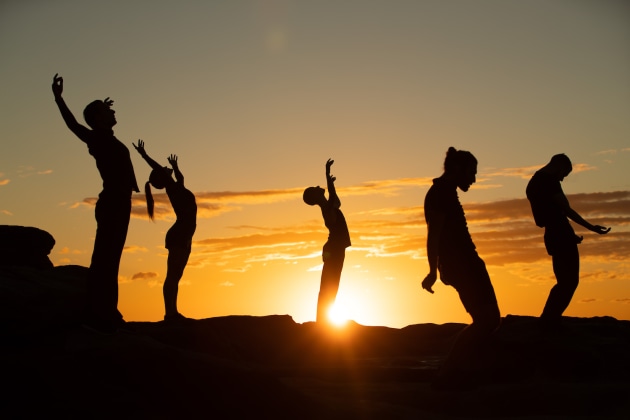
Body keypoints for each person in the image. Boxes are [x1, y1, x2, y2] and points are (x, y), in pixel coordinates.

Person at [52, 74, 139, 333]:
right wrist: (58, 98)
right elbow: (73, 124)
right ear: (98, 118)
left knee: (110, 258)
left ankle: (104, 312)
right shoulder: (97, 138)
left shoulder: (106, 136)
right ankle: (100, 314)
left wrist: (103, 105)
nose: (113, 113)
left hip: (120, 202)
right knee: (106, 259)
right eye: (106, 111)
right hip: (112, 202)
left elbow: (95, 118)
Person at [422, 147, 501, 389]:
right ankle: (448, 373)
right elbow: (433, 235)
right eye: (472, 173)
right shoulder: (440, 194)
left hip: (466, 261)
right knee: (487, 320)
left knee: (488, 319)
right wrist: (433, 271)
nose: (474, 179)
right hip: (461, 264)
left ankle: (459, 369)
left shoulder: (446, 191)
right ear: (457, 169)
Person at [526, 153, 610, 330]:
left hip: (555, 233)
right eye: (564, 174)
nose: (563, 179)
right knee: (568, 282)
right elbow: (566, 210)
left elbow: (551, 214)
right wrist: (591, 227)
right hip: (559, 233)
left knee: (565, 281)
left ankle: (550, 318)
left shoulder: (533, 182)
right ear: (559, 166)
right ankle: (549, 320)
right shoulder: (549, 181)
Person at [133, 140, 197, 323]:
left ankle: (172, 312)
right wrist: (144, 155)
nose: (165, 168)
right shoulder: (171, 187)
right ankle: (170, 313)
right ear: (161, 178)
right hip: (180, 235)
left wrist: (176, 166)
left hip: (184, 235)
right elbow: (158, 169)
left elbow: (181, 178)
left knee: (176, 276)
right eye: (163, 170)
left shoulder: (178, 187)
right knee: (172, 276)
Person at [303, 159, 351, 323]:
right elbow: (331, 197)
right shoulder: (327, 208)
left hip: (336, 249)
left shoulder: (330, 206)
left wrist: (329, 178)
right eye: (314, 190)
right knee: (328, 286)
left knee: (331, 285)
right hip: (334, 250)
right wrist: (326, 175)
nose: (317, 187)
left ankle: (324, 320)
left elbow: (333, 196)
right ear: (314, 198)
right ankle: (323, 322)